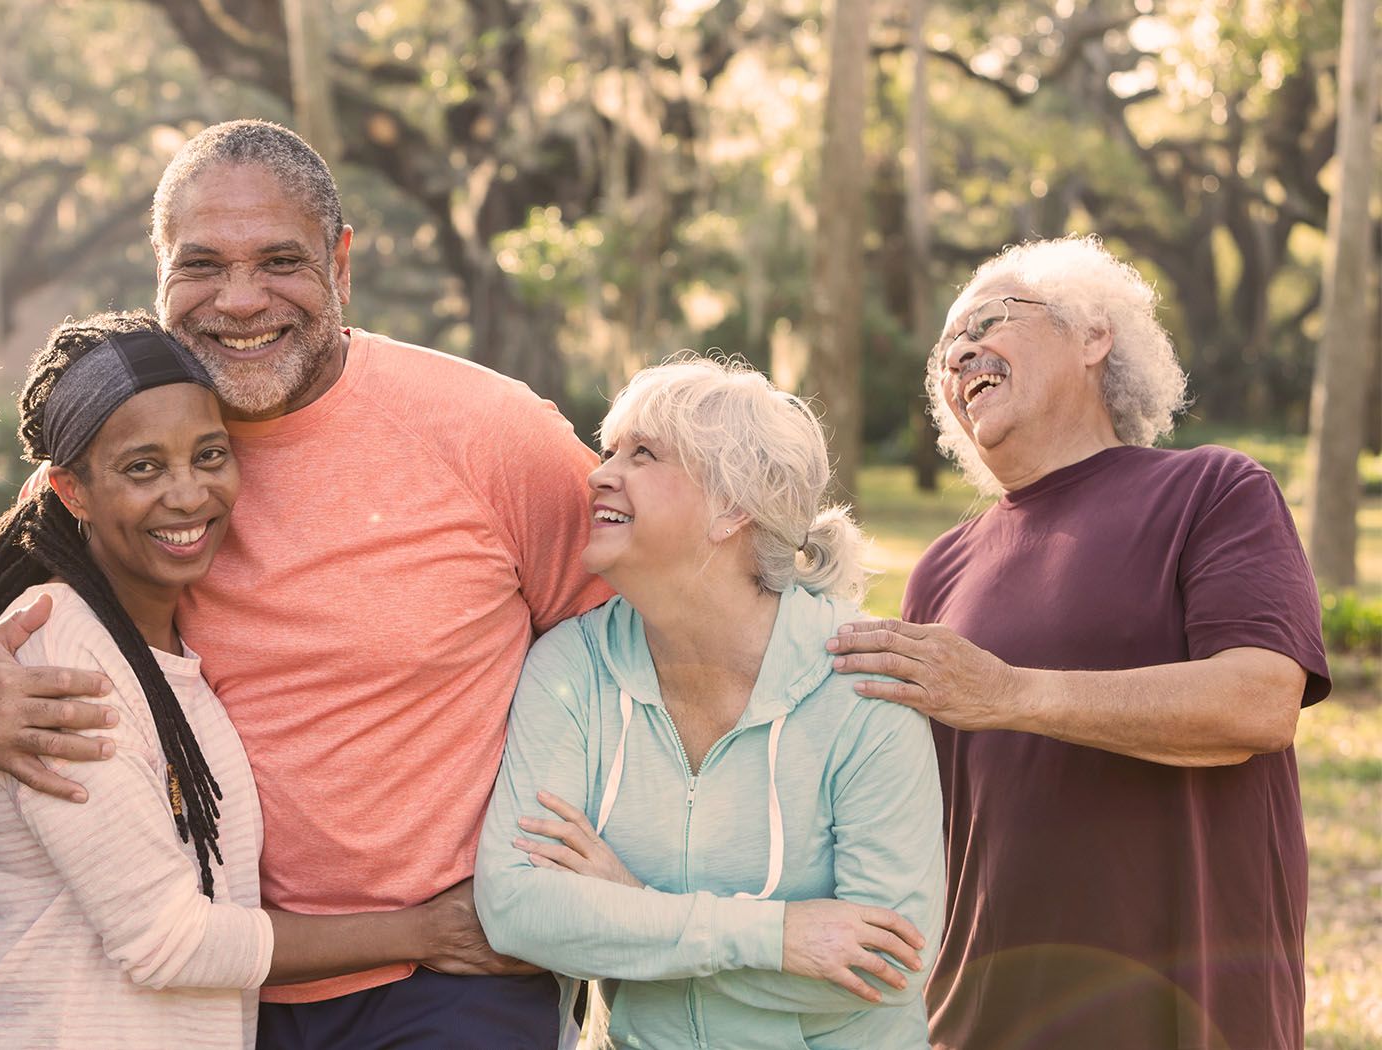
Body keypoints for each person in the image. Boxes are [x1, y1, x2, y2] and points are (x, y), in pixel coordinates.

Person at [0, 119, 615, 1046]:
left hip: (454, 969)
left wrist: (609, 872)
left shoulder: (489, 431)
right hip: (225, 998)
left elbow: (635, 634)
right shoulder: (119, 458)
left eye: (279, 261)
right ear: (160, 271)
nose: (239, 301)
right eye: (201, 265)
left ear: (341, 263)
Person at [826, 234, 1332, 1050]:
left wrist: (1013, 692)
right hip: (981, 1020)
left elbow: (1260, 701)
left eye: (987, 320)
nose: (959, 354)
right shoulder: (941, 569)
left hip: (1184, 1011)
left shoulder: (1213, 491)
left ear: (1094, 335)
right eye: (945, 350)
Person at [475, 357, 944, 1049]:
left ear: (734, 507)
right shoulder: (572, 667)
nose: (600, 473)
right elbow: (515, 908)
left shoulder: (861, 683)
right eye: (609, 450)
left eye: (643, 454)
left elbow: (886, 965)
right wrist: (775, 936)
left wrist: (633, 910)